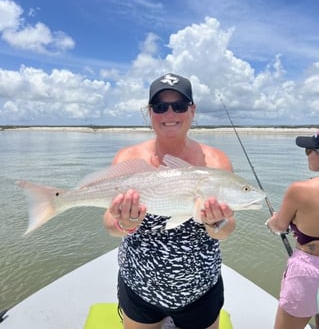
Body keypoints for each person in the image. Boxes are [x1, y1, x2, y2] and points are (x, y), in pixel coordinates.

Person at [103, 73, 236, 329]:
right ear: (149, 112)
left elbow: (227, 230)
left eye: (179, 105)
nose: (170, 113)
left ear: (193, 110)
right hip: (139, 284)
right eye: (161, 107)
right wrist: (126, 224)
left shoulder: (216, 161)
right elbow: (109, 224)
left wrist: (216, 223)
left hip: (199, 288)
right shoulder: (128, 157)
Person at [266, 131, 319, 329]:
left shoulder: (300, 190)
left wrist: (272, 221)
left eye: (309, 150)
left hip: (308, 271)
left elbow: (279, 226)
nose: (307, 155)